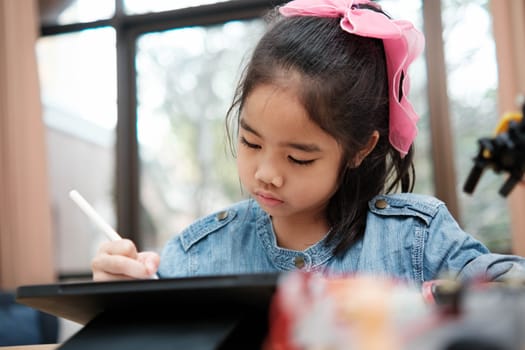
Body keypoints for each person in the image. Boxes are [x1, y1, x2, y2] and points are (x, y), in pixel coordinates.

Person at [92, 0, 525, 285]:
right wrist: (121, 296)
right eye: (251, 142)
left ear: (361, 148)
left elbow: (507, 288)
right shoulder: (199, 253)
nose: (265, 173)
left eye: (298, 157)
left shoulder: (416, 239)